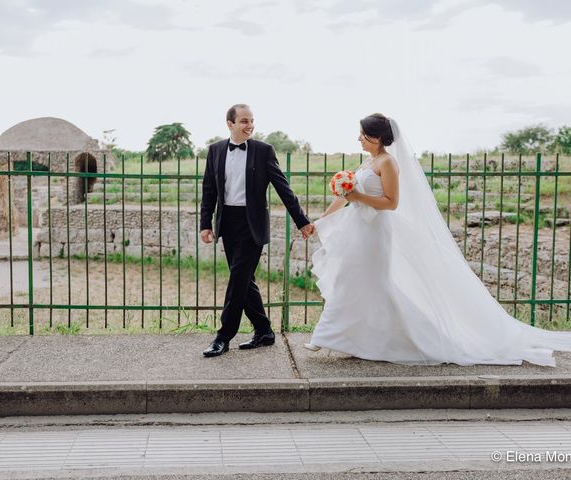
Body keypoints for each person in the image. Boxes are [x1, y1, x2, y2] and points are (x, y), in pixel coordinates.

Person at [306, 113, 571, 366]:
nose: (359, 138)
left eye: (363, 134)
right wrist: (319, 223)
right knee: (351, 279)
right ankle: (357, 336)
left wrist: (358, 198)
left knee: (370, 282)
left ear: (376, 138)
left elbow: (391, 202)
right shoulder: (366, 163)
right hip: (358, 231)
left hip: (376, 232)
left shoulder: (388, 163)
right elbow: (344, 196)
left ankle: (327, 336)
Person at [200, 104, 315, 357]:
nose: (249, 125)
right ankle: (264, 330)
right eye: (243, 121)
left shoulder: (264, 151)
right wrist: (205, 223)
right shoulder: (216, 150)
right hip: (227, 222)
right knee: (244, 281)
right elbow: (209, 188)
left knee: (237, 279)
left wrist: (302, 220)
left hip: (252, 224)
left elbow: (283, 187)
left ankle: (223, 336)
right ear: (230, 124)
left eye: (251, 120)